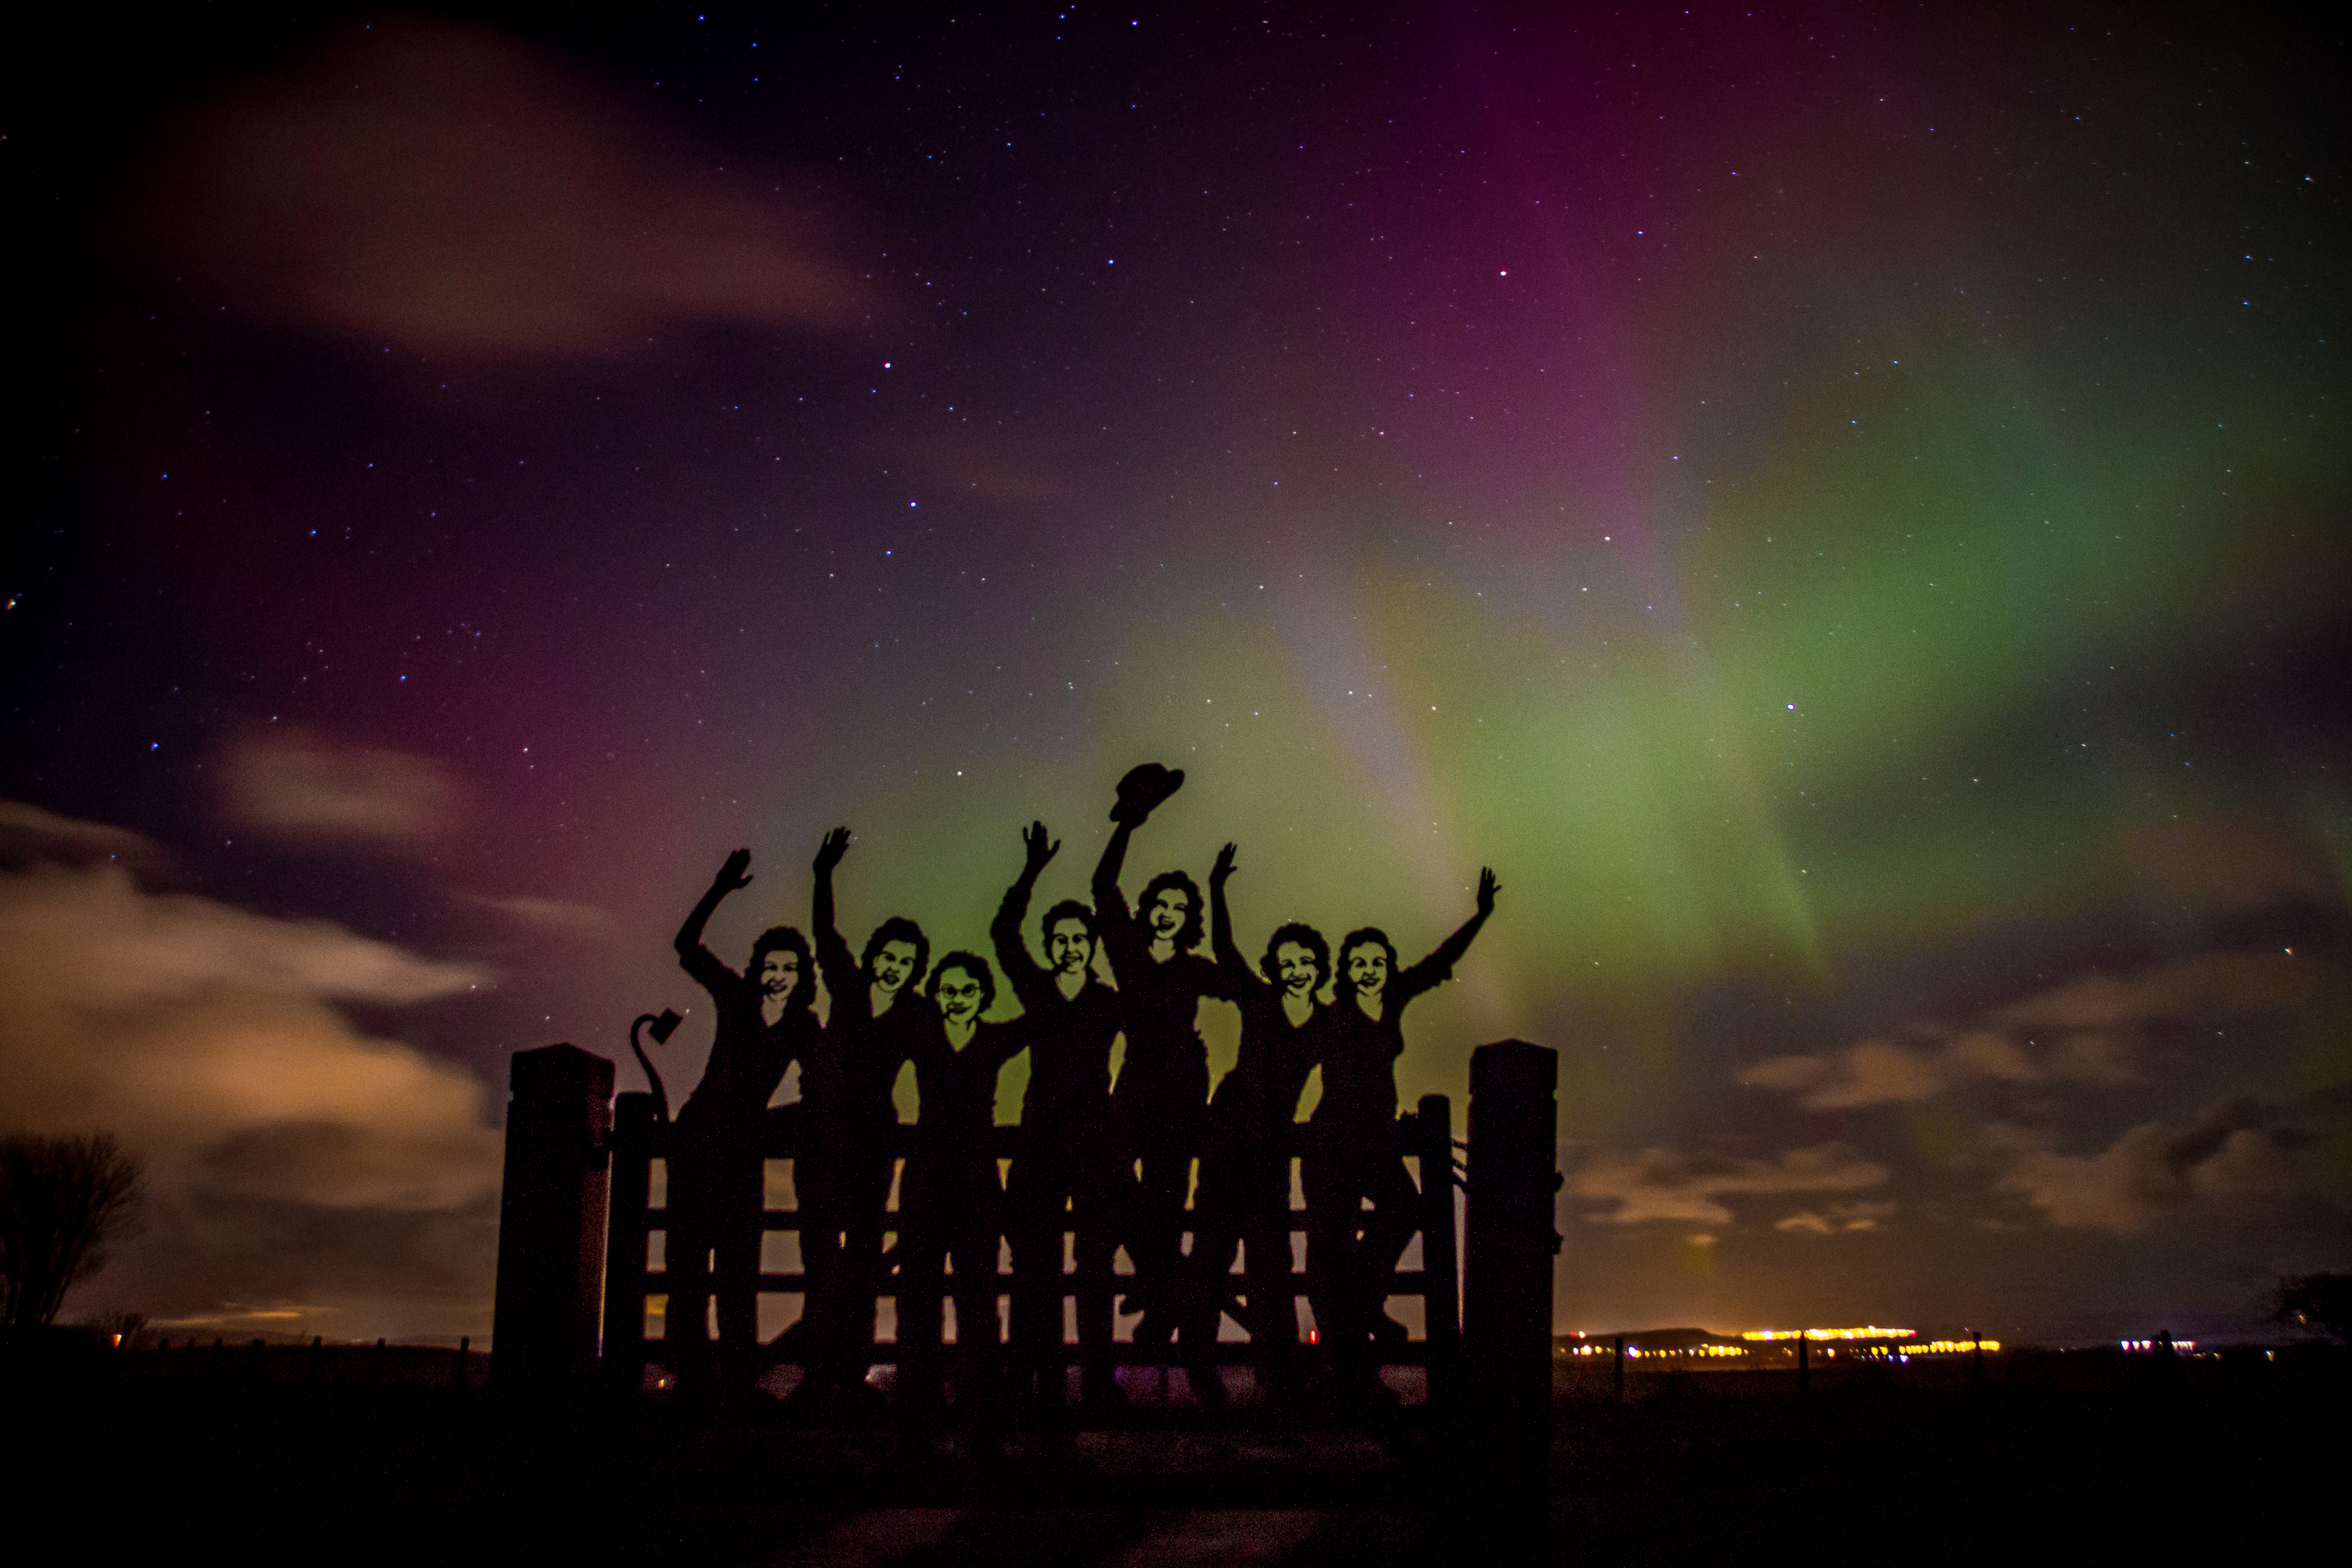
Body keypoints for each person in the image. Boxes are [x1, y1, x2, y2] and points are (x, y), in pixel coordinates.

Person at [1310, 867, 1499, 1400]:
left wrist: (1479, 917)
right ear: (1344, 970)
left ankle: (1366, 1301)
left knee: (1404, 1209)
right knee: (1345, 1242)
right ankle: (1354, 1359)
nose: (1369, 970)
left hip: (1374, 1140)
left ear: (1386, 967)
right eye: (1358, 963)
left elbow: (1440, 963)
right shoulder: (1330, 1018)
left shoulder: (1393, 1002)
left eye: (1377, 962)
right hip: (1338, 1141)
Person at [1090, 764, 1244, 1352]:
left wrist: (1218, 892)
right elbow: (1103, 888)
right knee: (1107, 1166)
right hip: (1139, 1077)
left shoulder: (1190, 969)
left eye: (1180, 909)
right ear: (1150, 907)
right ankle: (1167, 1279)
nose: (1166, 913)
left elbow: (1236, 983)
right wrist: (1129, 825)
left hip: (1181, 1080)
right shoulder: (1128, 954)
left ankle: (1159, 1303)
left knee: (1165, 1196)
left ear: (1188, 922)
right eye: (1162, 903)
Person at [1180, 842, 1330, 1402]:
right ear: (1276, 969)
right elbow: (1224, 948)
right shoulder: (1260, 1002)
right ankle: (1201, 1363)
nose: (1295, 971)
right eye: (1287, 963)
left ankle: (1278, 1373)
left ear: (1318, 969)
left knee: (1272, 1263)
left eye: (1305, 962)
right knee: (1213, 1255)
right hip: (1228, 1140)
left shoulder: (1323, 1025)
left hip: (1270, 1151)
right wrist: (1217, 889)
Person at [669, 848, 819, 1393]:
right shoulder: (735, 999)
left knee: (738, 1267)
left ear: (802, 976)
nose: (778, 976)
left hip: (743, 1147)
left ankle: (733, 1379)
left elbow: (823, 1084)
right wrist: (718, 889)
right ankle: (690, 1376)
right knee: (689, 1263)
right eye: (772, 966)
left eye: (789, 968)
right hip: (700, 1135)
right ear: (759, 970)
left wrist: (782, 1119)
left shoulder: (802, 1026)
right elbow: (687, 947)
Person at [991, 821, 1129, 1408]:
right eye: (1062, 940)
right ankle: (1034, 1373)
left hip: (1094, 1144)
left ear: (1092, 945)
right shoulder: (1039, 993)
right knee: (1034, 1267)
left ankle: (1097, 1379)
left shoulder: (1109, 1004)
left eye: (1080, 939)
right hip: (1040, 1142)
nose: (1071, 948)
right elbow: (1002, 933)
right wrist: (1030, 871)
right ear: (1051, 946)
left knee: (1095, 1265)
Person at [805, 826, 933, 1402]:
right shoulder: (849, 988)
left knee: (861, 1260)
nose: (894, 966)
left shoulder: (914, 1014)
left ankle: (851, 1370)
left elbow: (939, 1066)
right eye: (888, 956)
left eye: (906, 962)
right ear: (876, 955)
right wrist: (824, 875)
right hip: (827, 1132)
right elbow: (825, 934)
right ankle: (818, 1369)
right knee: (818, 1257)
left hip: (874, 1140)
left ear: (914, 970)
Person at [896, 952, 1028, 1410]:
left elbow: (1042, 1013)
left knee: (977, 1294)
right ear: (935, 995)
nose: (957, 999)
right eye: (948, 991)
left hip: (974, 1183)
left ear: (983, 994)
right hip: (928, 1179)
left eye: (967, 990)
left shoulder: (994, 1039)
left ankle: (979, 1394)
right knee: (918, 1295)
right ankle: (919, 1393)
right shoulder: (922, 1033)